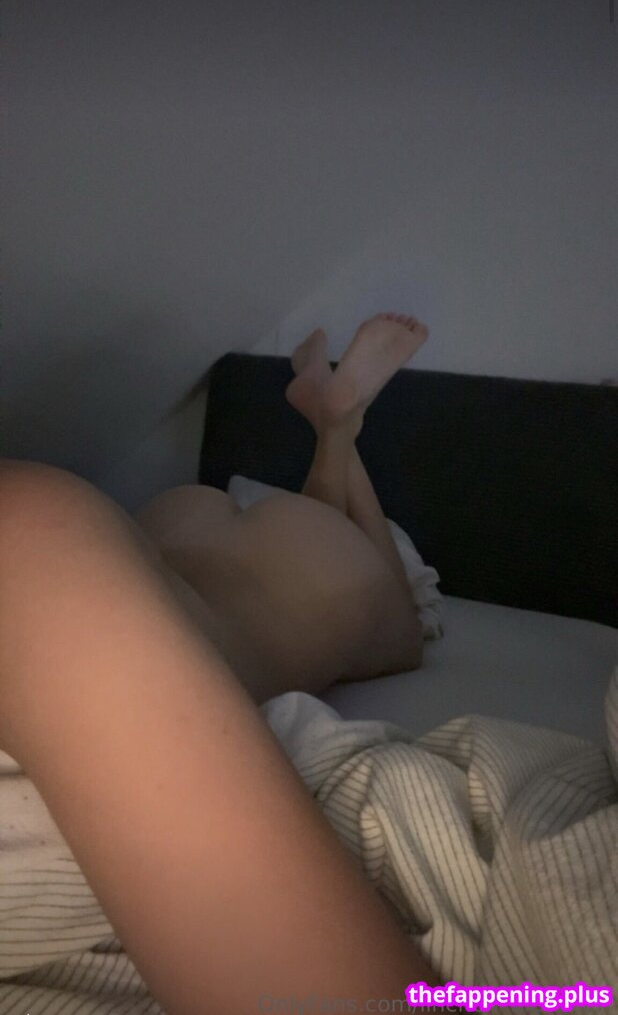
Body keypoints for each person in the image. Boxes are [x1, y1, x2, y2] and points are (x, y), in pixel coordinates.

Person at [0, 313, 438, 1015]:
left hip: (182, 531)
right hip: (193, 537)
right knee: (369, 609)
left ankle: (337, 427)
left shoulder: (30, 550)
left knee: (376, 617)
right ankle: (338, 430)